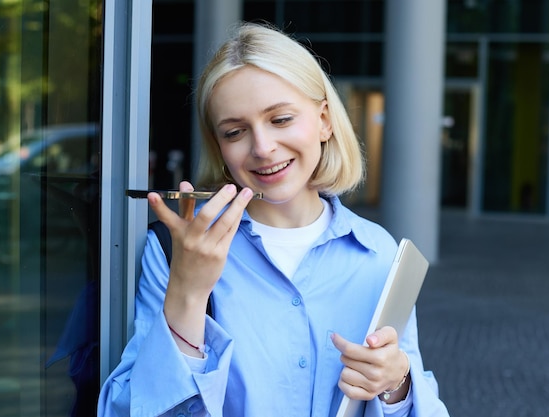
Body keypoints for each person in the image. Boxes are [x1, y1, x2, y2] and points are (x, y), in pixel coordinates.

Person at [98, 22, 449, 417]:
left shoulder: (379, 252)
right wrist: (189, 294)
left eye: (280, 119)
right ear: (220, 148)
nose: (263, 148)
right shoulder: (175, 252)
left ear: (324, 120)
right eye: (235, 132)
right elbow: (128, 409)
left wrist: (397, 384)